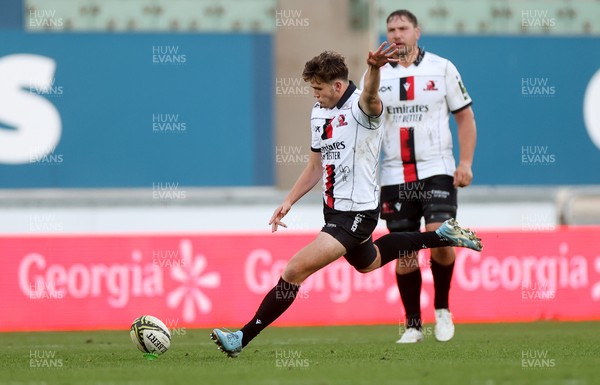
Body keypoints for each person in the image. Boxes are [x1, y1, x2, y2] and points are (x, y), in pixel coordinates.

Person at [210, 44, 482, 358]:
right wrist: (289, 201)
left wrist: (375, 68)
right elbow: (315, 166)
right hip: (333, 210)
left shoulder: (362, 108)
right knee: (371, 262)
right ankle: (440, 236)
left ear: (338, 86)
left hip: (357, 212)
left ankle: (240, 339)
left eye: (319, 88)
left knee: (294, 270)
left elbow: (370, 94)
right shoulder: (318, 113)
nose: (315, 94)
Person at [361, 10, 478, 344]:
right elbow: (366, 112)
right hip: (395, 173)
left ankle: (442, 309)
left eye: (403, 28)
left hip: (436, 169)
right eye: (391, 29)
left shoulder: (442, 68)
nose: (396, 34)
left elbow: (465, 117)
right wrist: (371, 71)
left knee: (440, 236)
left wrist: (465, 163)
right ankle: (413, 325)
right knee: (406, 252)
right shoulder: (377, 73)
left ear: (417, 32)